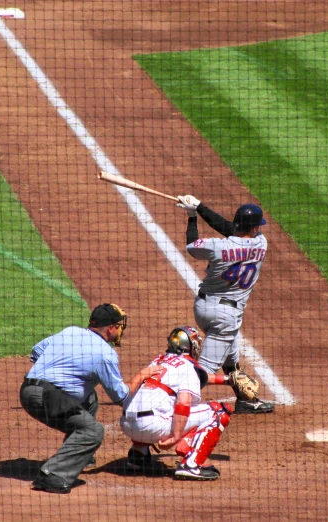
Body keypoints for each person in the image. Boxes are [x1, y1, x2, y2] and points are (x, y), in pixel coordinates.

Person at [20, 303, 161, 494]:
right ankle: (51, 475)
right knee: (93, 432)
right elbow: (120, 396)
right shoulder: (105, 354)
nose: (120, 330)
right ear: (110, 328)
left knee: (90, 398)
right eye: (119, 326)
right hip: (48, 397)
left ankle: (80, 455)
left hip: (27, 389)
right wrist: (142, 375)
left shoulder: (70, 331)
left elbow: (37, 350)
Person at [175, 195, 274, 414]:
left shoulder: (216, 247)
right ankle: (166, 400)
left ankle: (245, 399)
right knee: (205, 370)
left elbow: (192, 245)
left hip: (203, 308)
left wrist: (193, 215)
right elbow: (228, 228)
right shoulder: (261, 243)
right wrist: (200, 207)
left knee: (231, 355)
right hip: (226, 315)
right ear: (256, 228)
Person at [119, 325, 232, 481]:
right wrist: (176, 436)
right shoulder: (188, 366)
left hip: (127, 425)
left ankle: (138, 455)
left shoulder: (158, 360)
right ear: (190, 346)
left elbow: (202, 377)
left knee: (154, 401)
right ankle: (191, 465)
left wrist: (227, 380)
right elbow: (184, 402)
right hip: (154, 427)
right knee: (219, 411)